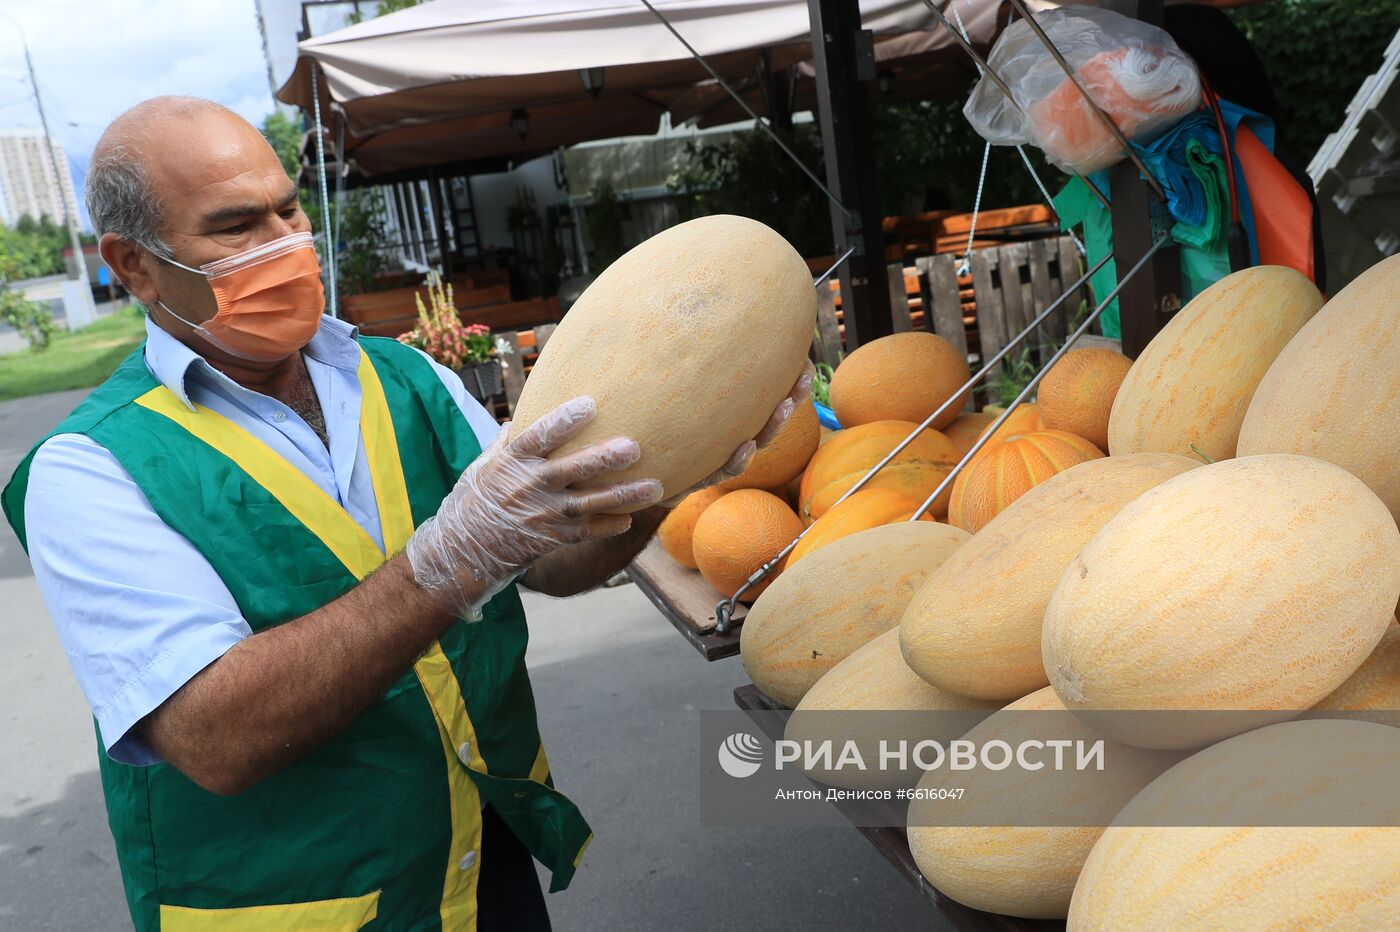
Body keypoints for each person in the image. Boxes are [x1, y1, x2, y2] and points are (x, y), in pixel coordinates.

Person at [0, 96, 810, 931]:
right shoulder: (87, 469)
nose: (283, 242)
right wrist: (448, 563)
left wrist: (658, 487)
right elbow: (216, 736)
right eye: (237, 226)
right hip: (294, 909)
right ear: (133, 265)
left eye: (288, 209)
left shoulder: (406, 379)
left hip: (479, 858)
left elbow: (552, 565)